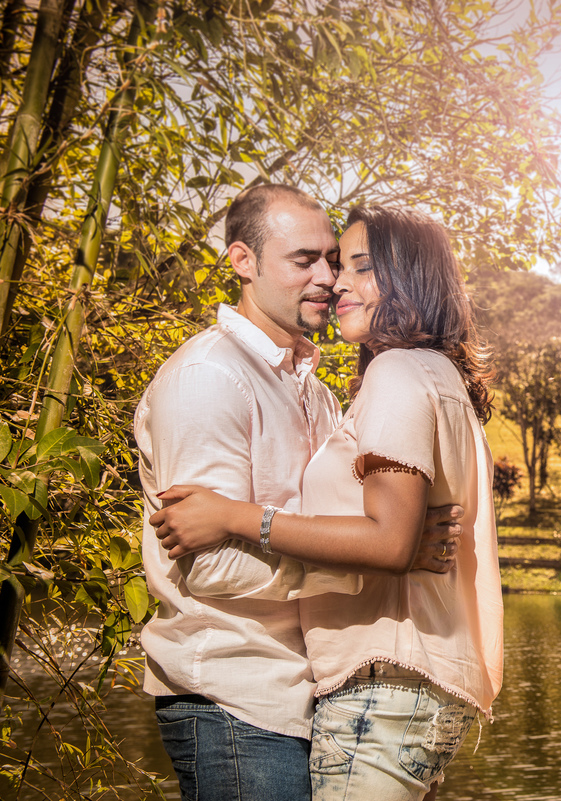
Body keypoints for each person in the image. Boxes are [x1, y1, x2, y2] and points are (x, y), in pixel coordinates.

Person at [151, 204, 504, 800]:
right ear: (242, 260)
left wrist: (246, 519)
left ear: (410, 279)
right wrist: (368, 555)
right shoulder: (210, 376)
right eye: (308, 260)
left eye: (347, 265)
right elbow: (206, 561)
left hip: (369, 688)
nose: (331, 278)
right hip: (241, 694)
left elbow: (386, 542)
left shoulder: (360, 386)